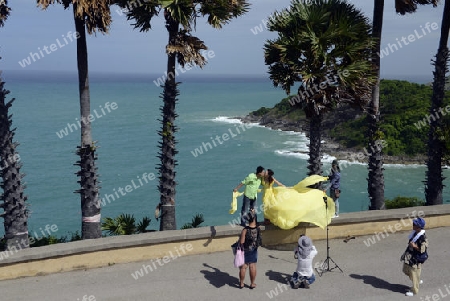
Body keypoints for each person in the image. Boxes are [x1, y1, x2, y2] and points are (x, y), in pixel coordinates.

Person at [401, 217, 428, 297]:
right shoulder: (414, 233)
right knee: (405, 270)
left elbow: (422, 250)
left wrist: (414, 246)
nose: (413, 225)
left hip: (416, 258)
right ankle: (416, 279)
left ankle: (414, 290)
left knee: (414, 272)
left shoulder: (422, 237)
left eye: (414, 224)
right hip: (410, 256)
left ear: (419, 227)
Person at [238, 209, 261, 289]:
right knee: (252, 266)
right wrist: (253, 212)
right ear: (254, 218)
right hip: (253, 250)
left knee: (243, 267)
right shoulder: (258, 229)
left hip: (245, 250)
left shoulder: (245, 230)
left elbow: (242, 242)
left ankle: (241, 283)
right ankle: (252, 283)